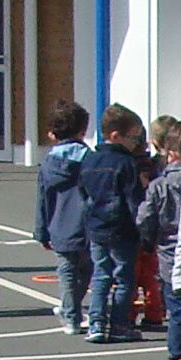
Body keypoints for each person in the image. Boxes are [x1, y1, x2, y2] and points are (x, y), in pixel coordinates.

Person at [76, 104, 151, 342]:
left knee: (100, 275)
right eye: (134, 138)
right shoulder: (125, 163)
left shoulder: (89, 159)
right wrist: (142, 230)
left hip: (96, 227)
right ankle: (119, 324)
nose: (136, 143)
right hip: (121, 228)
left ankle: (96, 323)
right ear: (116, 136)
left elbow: (83, 193)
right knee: (123, 278)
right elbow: (133, 200)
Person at [138, 121, 181, 360]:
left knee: (176, 308)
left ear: (169, 152)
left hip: (169, 251)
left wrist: (148, 241)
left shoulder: (159, 185)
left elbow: (145, 218)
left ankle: (179, 358)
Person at [34, 99, 93, 335]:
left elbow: (42, 198)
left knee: (67, 271)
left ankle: (70, 315)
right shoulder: (89, 158)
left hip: (58, 224)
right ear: (83, 130)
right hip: (87, 224)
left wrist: (41, 230)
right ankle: (72, 308)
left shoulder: (49, 163)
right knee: (85, 270)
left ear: (52, 134)